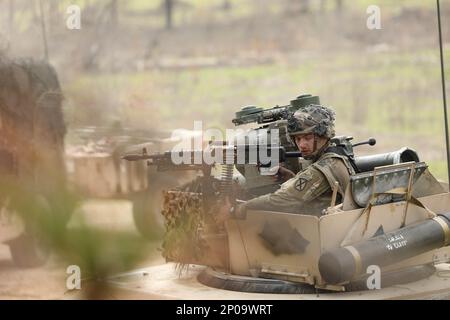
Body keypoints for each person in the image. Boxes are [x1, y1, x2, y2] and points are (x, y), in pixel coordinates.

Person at [219, 104, 356, 220]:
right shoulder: (335, 157)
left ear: (323, 135)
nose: (302, 145)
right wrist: (291, 177)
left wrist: (235, 210)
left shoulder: (323, 167)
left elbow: (282, 200)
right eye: (297, 139)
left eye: (308, 137)